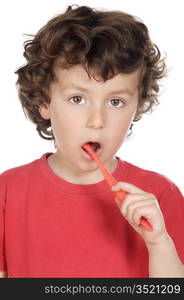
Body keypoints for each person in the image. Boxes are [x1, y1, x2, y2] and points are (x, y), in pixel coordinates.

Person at [0, 4, 184, 278]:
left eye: (115, 101)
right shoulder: (8, 192)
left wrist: (159, 244)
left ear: (137, 107)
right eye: (77, 99)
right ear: (43, 103)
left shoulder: (160, 196)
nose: (96, 120)